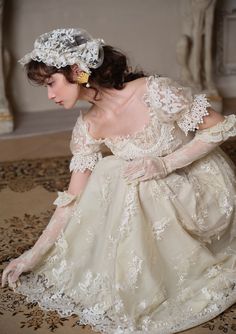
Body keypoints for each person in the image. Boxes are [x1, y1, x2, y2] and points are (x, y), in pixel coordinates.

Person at [2, 28, 236, 334]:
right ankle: (133, 275)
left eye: (52, 83)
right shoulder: (88, 127)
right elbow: (73, 199)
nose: (51, 95)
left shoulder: (154, 91)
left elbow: (220, 128)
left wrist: (165, 163)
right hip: (151, 193)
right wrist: (34, 253)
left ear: (77, 71)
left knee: (130, 176)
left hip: (197, 184)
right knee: (113, 170)